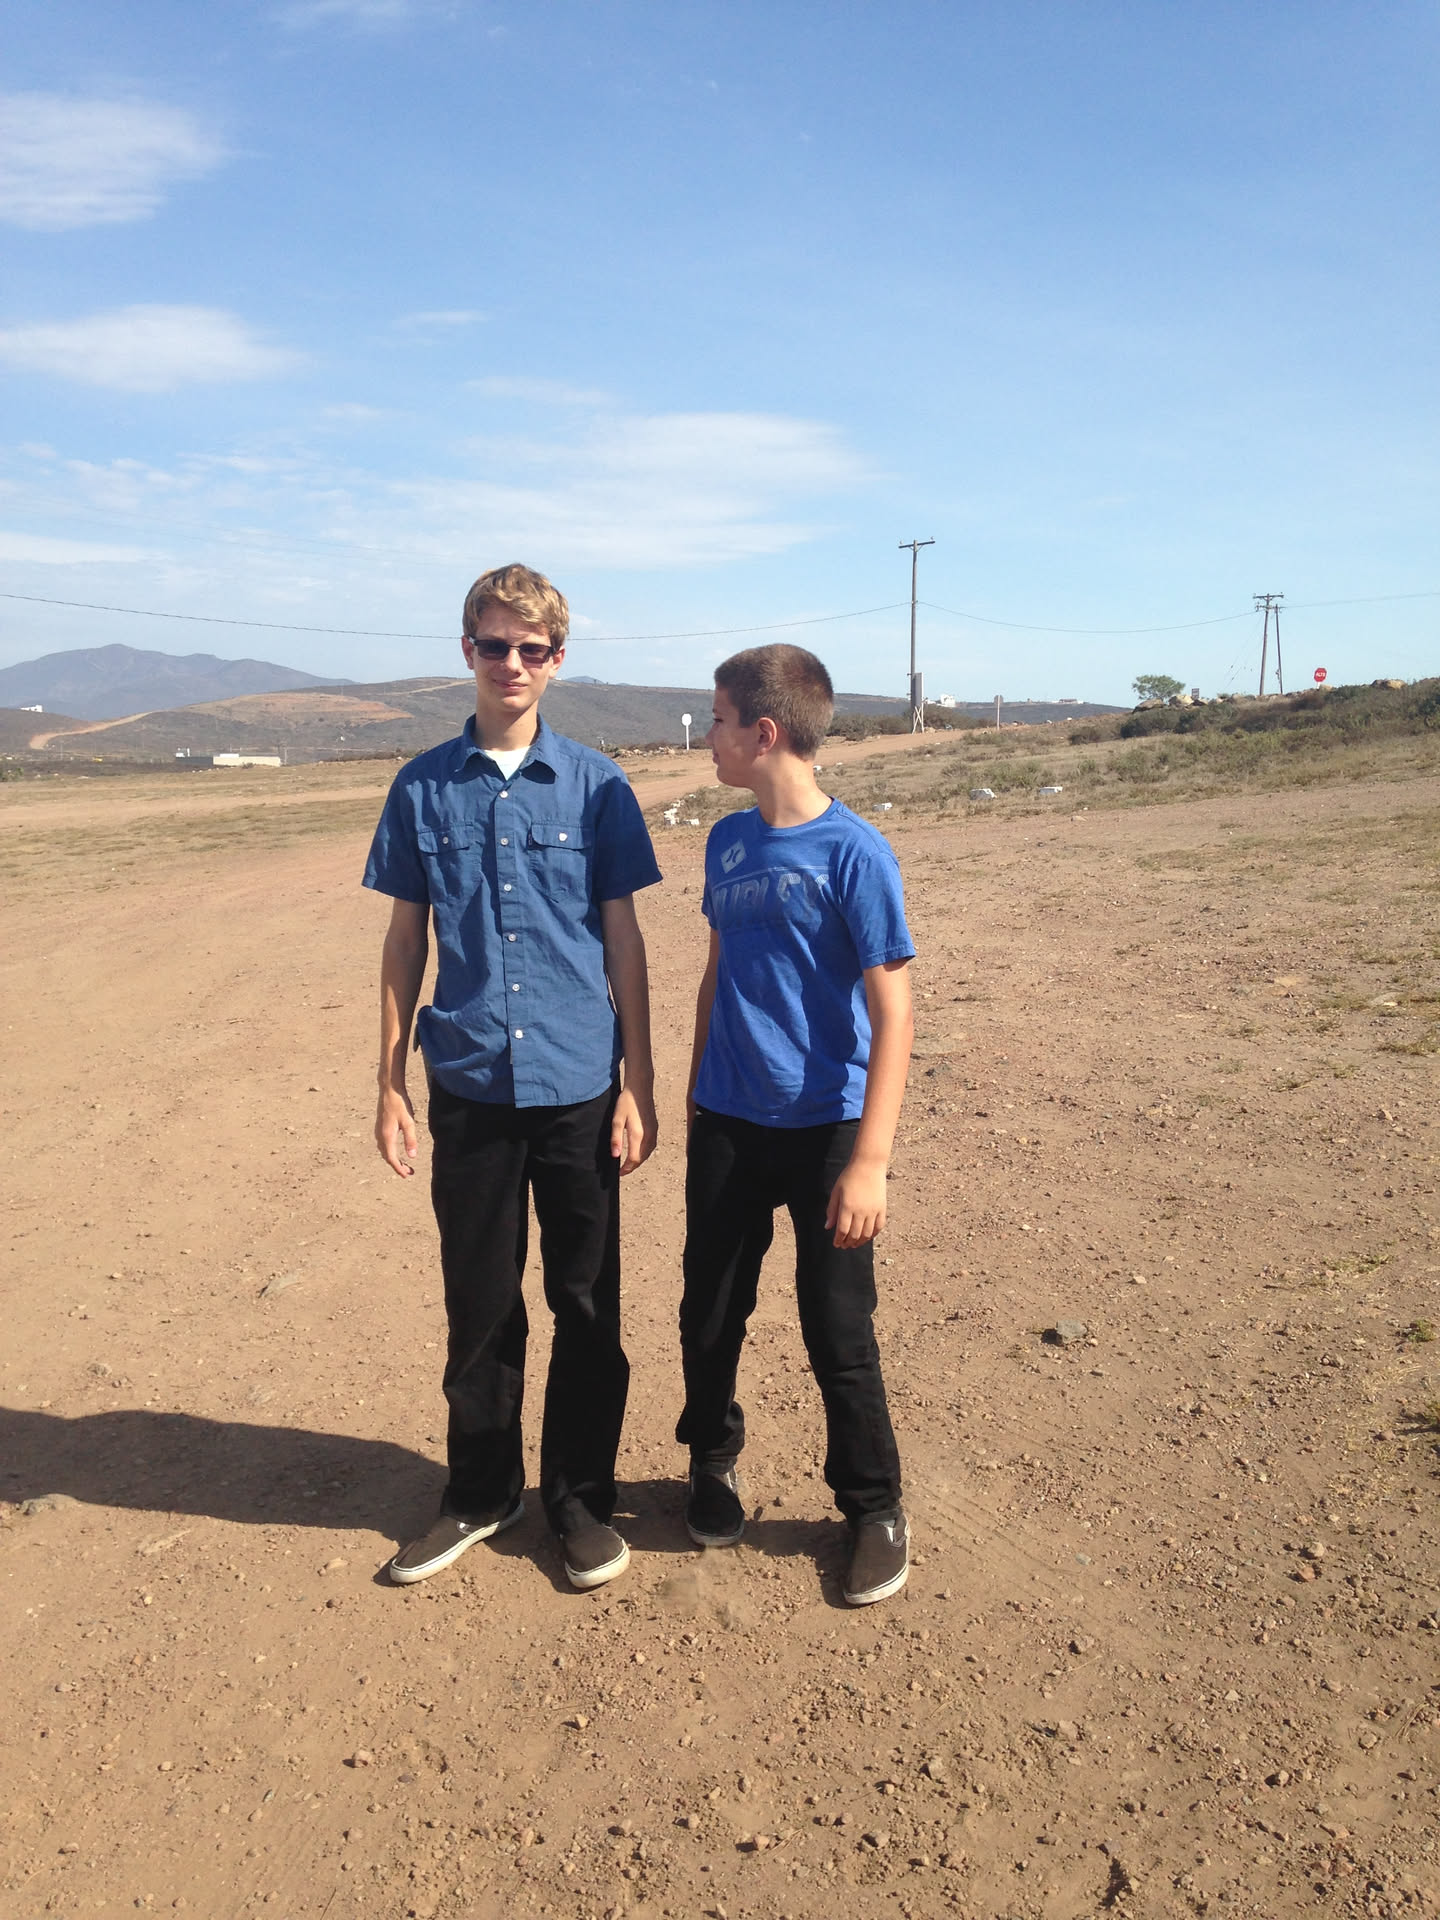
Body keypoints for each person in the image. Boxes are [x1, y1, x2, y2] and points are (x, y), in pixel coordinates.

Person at [364, 563, 661, 1591]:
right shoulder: (421, 787)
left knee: (587, 1305)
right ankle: (480, 1493)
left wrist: (638, 1081)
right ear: (468, 651)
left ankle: (579, 1501)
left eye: (533, 649)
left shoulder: (598, 786)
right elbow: (406, 941)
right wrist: (389, 1083)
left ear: (557, 660)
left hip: (580, 1082)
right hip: (472, 1082)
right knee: (481, 1303)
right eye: (495, 645)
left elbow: (624, 940)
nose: (513, 664)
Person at [676, 644, 915, 1605]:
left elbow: (895, 1013)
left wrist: (871, 1161)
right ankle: (711, 1464)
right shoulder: (726, 843)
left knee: (837, 1327)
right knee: (709, 1314)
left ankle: (874, 1508)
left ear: (764, 732)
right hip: (728, 1123)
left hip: (827, 1131)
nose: (710, 737)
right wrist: (692, 1090)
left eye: (719, 720)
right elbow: (716, 972)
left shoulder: (856, 852)